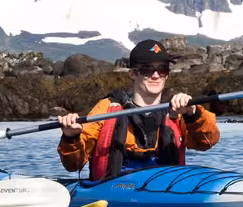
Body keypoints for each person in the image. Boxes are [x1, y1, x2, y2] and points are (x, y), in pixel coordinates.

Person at [57, 39, 220, 181]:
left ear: (167, 74)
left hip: (165, 190)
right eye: (147, 69)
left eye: (162, 69)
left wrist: (193, 113)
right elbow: (73, 165)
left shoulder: (179, 110)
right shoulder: (107, 108)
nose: (156, 75)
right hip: (113, 193)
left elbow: (207, 142)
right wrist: (71, 137)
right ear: (133, 73)